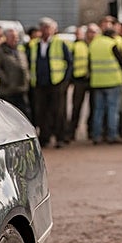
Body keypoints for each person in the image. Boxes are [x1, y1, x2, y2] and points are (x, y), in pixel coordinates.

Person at [29, 17, 73, 148]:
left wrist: (65, 80)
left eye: (49, 28)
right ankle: (45, 137)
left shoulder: (60, 43)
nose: (46, 30)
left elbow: (69, 62)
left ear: (54, 30)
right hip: (39, 83)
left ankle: (60, 137)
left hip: (56, 82)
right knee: (41, 111)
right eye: (43, 27)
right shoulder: (34, 45)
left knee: (58, 111)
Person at [88, 25, 122, 144]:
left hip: (97, 81)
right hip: (113, 81)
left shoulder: (93, 44)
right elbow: (121, 60)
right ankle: (112, 135)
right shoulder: (112, 43)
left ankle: (96, 136)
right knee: (112, 109)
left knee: (98, 110)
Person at [0, 28, 31, 118]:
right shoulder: (1, 51)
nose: (15, 39)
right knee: (10, 115)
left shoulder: (20, 51)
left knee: (25, 114)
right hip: (8, 90)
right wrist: (6, 80)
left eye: (17, 37)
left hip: (22, 89)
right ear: (6, 38)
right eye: (13, 37)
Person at [68, 25, 90, 141]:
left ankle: (90, 131)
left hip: (92, 80)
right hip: (79, 80)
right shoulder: (75, 45)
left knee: (94, 108)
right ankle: (71, 131)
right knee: (76, 107)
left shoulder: (91, 45)